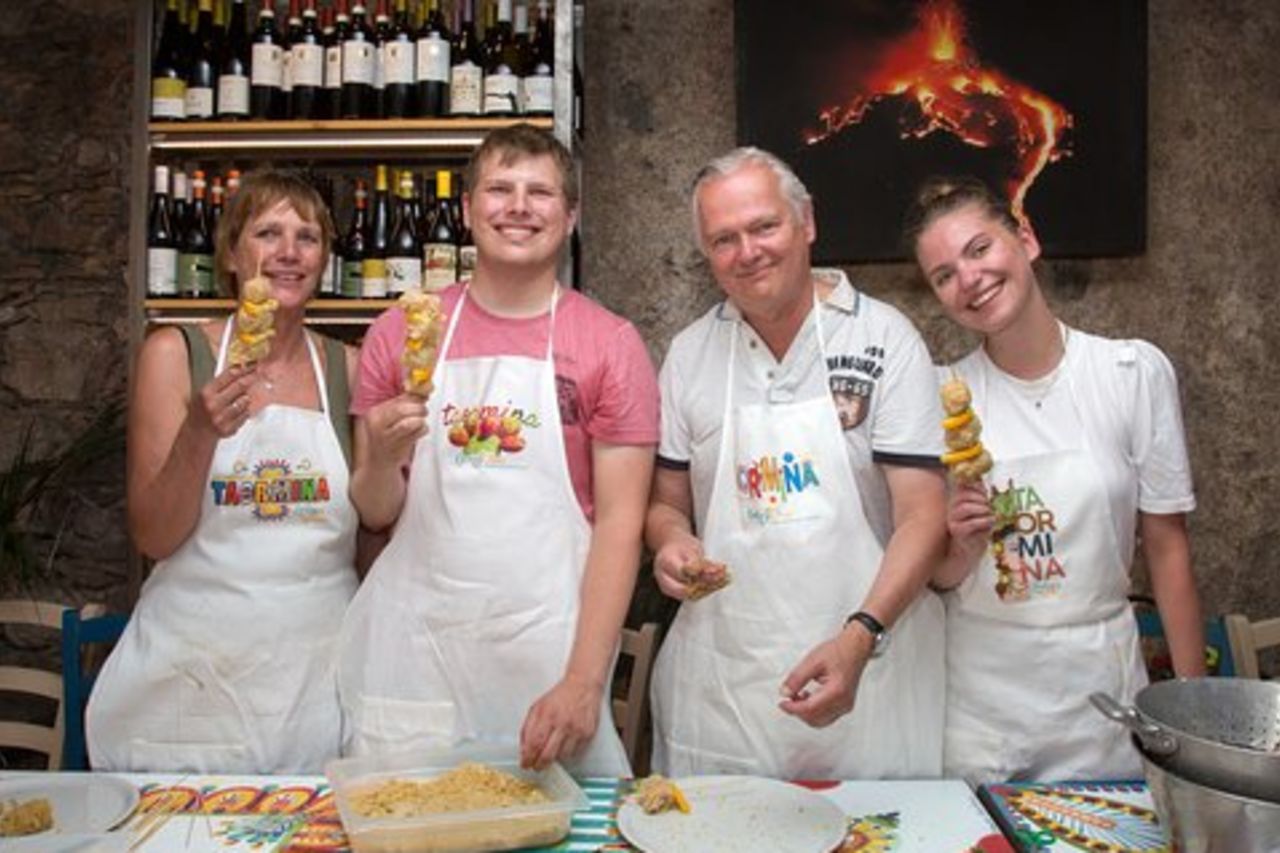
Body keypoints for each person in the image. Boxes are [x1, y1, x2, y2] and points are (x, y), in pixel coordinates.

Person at [338, 124, 659, 776]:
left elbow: (622, 528)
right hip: (415, 652)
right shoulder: (401, 333)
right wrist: (378, 455)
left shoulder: (610, 343)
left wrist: (582, 680)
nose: (518, 206)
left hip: (546, 655)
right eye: (500, 189)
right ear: (467, 208)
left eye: (540, 192)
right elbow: (374, 511)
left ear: (570, 216)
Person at [645, 147, 948, 780]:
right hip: (724, 693)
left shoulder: (883, 338)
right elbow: (666, 504)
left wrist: (860, 636)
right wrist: (671, 544)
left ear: (806, 222)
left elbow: (923, 517)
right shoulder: (691, 354)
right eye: (724, 239)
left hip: (870, 680)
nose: (747, 251)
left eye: (763, 227)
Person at [904, 175, 1206, 785]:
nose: (969, 278)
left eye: (980, 249)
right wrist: (960, 545)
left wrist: (1195, 716)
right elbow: (938, 576)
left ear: (1027, 240)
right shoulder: (936, 396)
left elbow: (1168, 548)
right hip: (981, 706)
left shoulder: (1130, 374)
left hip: (1100, 699)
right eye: (943, 275)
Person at [88, 170, 360, 773]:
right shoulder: (175, 355)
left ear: (325, 259)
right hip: (195, 678)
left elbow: (368, 537)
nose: (288, 253)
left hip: (312, 685)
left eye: (307, 237)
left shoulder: (350, 369)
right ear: (233, 254)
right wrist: (200, 432)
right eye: (268, 232)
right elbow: (154, 535)